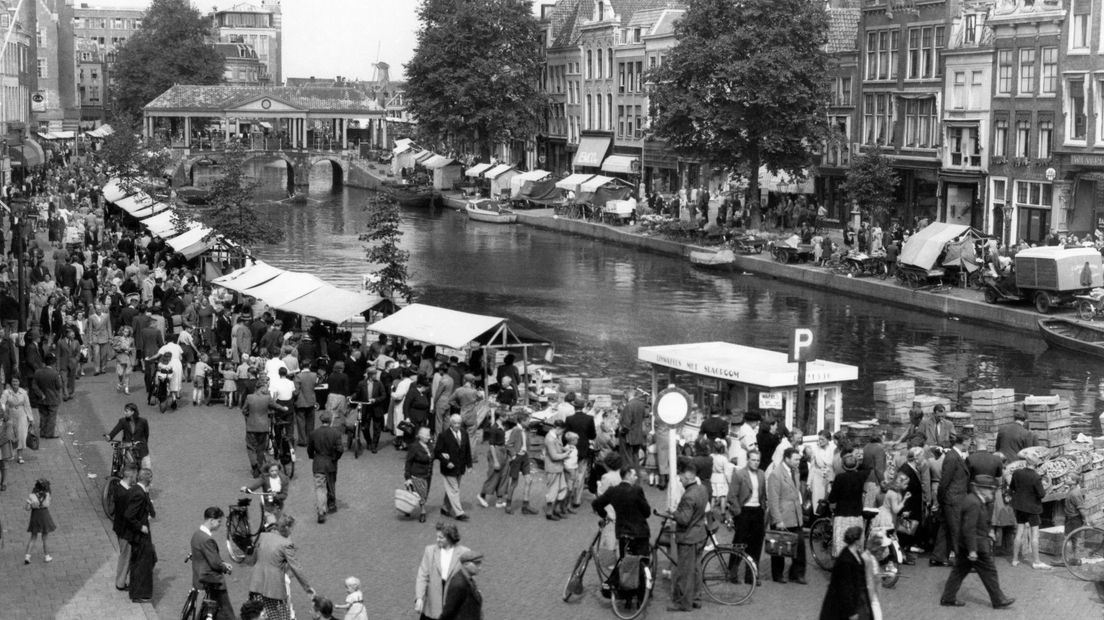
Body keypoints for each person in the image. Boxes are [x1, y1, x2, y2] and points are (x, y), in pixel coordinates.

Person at [939, 475, 1015, 609]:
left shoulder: (974, 500)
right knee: (989, 571)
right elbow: (969, 528)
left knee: (959, 571)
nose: (992, 493)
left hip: (968, 544)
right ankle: (998, 600)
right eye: (990, 490)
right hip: (975, 546)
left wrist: (988, 533)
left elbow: (977, 523)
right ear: (980, 489)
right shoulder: (974, 502)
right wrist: (973, 550)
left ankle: (948, 598)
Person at [592, 465, 651, 596]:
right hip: (640, 532)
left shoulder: (613, 491)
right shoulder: (637, 490)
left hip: (624, 532)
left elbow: (596, 504)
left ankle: (625, 593)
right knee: (642, 562)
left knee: (626, 563)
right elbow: (647, 512)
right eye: (634, 475)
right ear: (628, 475)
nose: (636, 478)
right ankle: (642, 595)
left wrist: (604, 516)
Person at [248, 514, 317, 619]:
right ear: (287, 527)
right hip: (273, 590)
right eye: (291, 529)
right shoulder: (286, 544)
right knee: (281, 617)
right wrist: (307, 588)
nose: (291, 532)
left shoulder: (262, 536)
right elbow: (296, 567)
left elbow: (253, 560)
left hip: (256, 585)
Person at [668, 456, 709, 612]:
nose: (680, 481)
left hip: (688, 537)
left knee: (685, 572)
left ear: (687, 477)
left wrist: (674, 513)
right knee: (697, 570)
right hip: (700, 534)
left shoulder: (688, 495)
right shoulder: (702, 489)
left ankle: (684, 603)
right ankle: (696, 599)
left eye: (681, 479)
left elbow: (684, 519)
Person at [415, 521, 471, 620]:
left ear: (450, 538)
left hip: (453, 600)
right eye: (437, 537)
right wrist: (419, 597)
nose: (437, 540)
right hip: (434, 600)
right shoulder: (430, 551)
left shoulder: (465, 553)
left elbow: (468, 579)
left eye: (441, 537)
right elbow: (422, 575)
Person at [818, 525, 876, 620]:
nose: (863, 539)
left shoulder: (856, 554)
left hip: (858, 598)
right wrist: (851, 612)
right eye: (862, 537)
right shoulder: (845, 560)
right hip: (843, 606)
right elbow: (844, 588)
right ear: (857, 540)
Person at [767, 447, 807, 584]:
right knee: (779, 547)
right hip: (783, 516)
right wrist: (778, 520)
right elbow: (773, 500)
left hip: (795, 515)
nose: (798, 462)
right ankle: (778, 574)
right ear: (787, 458)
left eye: (799, 459)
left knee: (800, 546)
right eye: (795, 459)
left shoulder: (795, 471)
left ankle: (797, 574)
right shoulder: (776, 474)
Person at [727, 450, 766, 585]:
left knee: (756, 544)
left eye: (757, 460)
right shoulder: (739, 474)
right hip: (744, 511)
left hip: (757, 511)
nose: (755, 463)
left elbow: (763, 495)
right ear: (748, 460)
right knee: (739, 543)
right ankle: (732, 572)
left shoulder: (761, 474)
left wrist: (763, 509)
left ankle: (751, 575)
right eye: (753, 460)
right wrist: (738, 513)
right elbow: (731, 496)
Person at [190, 507, 235, 620]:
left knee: (208, 612)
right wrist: (225, 567)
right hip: (212, 581)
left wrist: (222, 562)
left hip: (199, 579)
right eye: (219, 521)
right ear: (211, 520)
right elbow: (215, 563)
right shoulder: (207, 540)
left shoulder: (196, 535)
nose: (220, 525)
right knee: (227, 613)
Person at [931, 433, 970, 567]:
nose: (970, 445)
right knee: (956, 530)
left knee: (946, 528)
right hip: (953, 499)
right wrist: (942, 499)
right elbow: (945, 481)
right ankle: (962, 561)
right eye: (969, 442)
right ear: (964, 442)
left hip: (952, 498)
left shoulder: (955, 456)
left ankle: (938, 556)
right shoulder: (952, 457)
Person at [1010, 452, 1050, 569]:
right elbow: (1041, 494)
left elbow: (1012, 487)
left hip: (1020, 507)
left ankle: (1014, 559)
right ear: (1036, 464)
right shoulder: (1036, 477)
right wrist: (1045, 486)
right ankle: (1036, 561)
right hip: (1032, 508)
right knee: (1034, 535)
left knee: (1019, 532)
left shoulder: (1017, 473)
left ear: (1026, 462)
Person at [125, 468, 156, 603]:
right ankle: (138, 593)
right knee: (141, 563)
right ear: (147, 479)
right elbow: (129, 514)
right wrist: (140, 526)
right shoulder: (139, 494)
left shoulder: (139, 490)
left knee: (145, 560)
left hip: (140, 533)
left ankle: (138, 591)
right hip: (140, 534)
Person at [308, 410, 344, 523]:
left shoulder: (313, 433)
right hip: (331, 462)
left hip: (318, 463)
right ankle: (331, 504)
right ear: (331, 420)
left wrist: (313, 456)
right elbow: (340, 449)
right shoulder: (336, 433)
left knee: (320, 488)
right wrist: (335, 458)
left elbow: (310, 449)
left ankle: (321, 511)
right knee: (331, 484)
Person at [435, 413, 472, 521]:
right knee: (454, 490)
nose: (457, 425)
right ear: (451, 424)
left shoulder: (464, 433)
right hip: (449, 469)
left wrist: (469, 465)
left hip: (460, 467)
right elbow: (437, 452)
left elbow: (467, 450)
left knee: (451, 490)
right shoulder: (443, 435)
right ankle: (459, 513)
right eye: (455, 423)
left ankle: (445, 508)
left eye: (459, 423)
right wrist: (446, 462)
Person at [828, 453, 865, 557]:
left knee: (842, 542)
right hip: (856, 514)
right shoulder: (860, 477)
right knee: (856, 544)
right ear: (856, 465)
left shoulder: (840, 478)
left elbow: (832, 497)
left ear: (843, 466)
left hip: (842, 514)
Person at [564, 398, 597, 509]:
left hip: (572, 448)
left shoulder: (569, 419)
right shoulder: (589, 418)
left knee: (570, 473)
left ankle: (569, 496)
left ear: (574, 406)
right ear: (583, 406)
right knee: (581, 474)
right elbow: (592, 435)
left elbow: (566, 435)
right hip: (583, 449)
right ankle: (577, 499)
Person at [502, 413, 537, 515]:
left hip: (525, 457)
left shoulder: (525, 430)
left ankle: (525, 505)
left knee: (528, 480)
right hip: (517, 458)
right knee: (514, 482)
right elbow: (508, 444)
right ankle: (508, 504)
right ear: (522, 421)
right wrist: (514, 455)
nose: (529, 423)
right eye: (527, 421)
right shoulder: (516, 430)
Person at [112, 465, 138, 590]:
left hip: (119, 527)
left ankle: (121, 581)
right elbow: (129, 515)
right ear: (130, 476)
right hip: (126, 531)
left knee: (125, 554)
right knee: (126, 556)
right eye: (135, 476)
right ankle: (120, 582)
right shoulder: (126, 495)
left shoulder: (118, 488)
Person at [242, 383, 275, 478]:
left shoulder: (250, 397)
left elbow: (244, 410)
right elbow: (274, 407)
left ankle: (254, 465)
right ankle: (259, 467)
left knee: (250, 447)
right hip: (263, 427)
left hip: (251, 427)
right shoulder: (267, 398)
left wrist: (248, 416)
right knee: (261, 448)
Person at [104, 403, 152, 470]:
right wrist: (109, 437)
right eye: (124, 411)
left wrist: (143, 443)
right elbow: (115, 430)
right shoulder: (123, 421)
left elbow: (146, 434)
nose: (124, 412)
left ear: (132, 412)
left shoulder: (143, 421)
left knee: (146, 471)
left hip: (142, 450)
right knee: (130, 470)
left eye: (126, 411)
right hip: (129, 450)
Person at [440, 550, 484, 620]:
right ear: (466, 564)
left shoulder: (469, 580)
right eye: (476, 563)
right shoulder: (459, 584)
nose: (479, 567)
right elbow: (448, 611)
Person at [405, 425, 435, 523]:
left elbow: (435, 455)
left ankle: (407, 506)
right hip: (417, 474)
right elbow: (408, 462)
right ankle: (423, 512)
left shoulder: (430, 445)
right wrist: (408, 477)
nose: (429, 437)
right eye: (427, 435)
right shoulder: (414, 447)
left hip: (428, 474)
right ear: (421, 436)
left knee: (424, 493)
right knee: (421, 494)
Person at [1, 375, 33, 465]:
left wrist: (30, 418)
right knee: (10, 436)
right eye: (13, 381)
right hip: (10, 416)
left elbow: (27, 405)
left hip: (22, 415)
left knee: (21, 436)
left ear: (19, 382)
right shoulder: (7, 392)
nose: (15, 383)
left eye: (17, 381)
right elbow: (2, 403)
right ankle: (11, 454)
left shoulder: (23, 392)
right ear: (11, 383)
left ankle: (20, 456)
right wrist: (3, 412)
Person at [24, 477, 56, 564]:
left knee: (33, 537)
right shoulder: (48, 495)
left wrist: (30, 503)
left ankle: (27, 556)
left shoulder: (32, 496)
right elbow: (48, 503)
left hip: (35, 516)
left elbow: (27, 508)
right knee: (45, 538)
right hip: (44, 515)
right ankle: (47, 556)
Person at [542, 419, 569, 520]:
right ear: (558, 428)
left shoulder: (555, 437)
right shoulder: (550, 439)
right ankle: (549, 512)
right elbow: (554, 456)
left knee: (563, 488)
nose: (562, 432)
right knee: (553, 490)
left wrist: (563, 449)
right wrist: (565, 454)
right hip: (553, 467)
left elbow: (557, 448)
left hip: (558, 467)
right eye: (562, 430)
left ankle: (556, 509)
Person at [31, 353, 62, 438]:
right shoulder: (55, 374)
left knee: (43, 416)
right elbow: (59, 386)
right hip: (53, 399)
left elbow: (34, 385)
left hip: (42, 399)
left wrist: (40, 394)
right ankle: (49, 434)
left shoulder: (38, 372)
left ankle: (43, 432)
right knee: (52, 417)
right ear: (53, 362)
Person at [619, 392, 648, 470]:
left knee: (628, 459)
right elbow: (644, 417)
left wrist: (621, 432)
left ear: (629, 395)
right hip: (638, 435)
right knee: (635, 457)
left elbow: (626, 424)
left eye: (626, 394)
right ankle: (637, 475)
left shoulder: (629, 405)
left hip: (629, 437)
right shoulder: (641, 404)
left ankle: (630, 476)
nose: (625, 396)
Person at [113, 325, 135, 394]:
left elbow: (134, 348)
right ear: (122, 331)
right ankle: (120, 382)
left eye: (127, 332)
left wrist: (130, 350)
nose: (126, 333)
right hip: (120, 358)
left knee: (127, 374)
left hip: (128, 358)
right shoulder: (118, 338)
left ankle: (127, 389)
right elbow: (114, 347)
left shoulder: (131, 339)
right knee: (120, 373)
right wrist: (122, 349)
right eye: (125, 331)